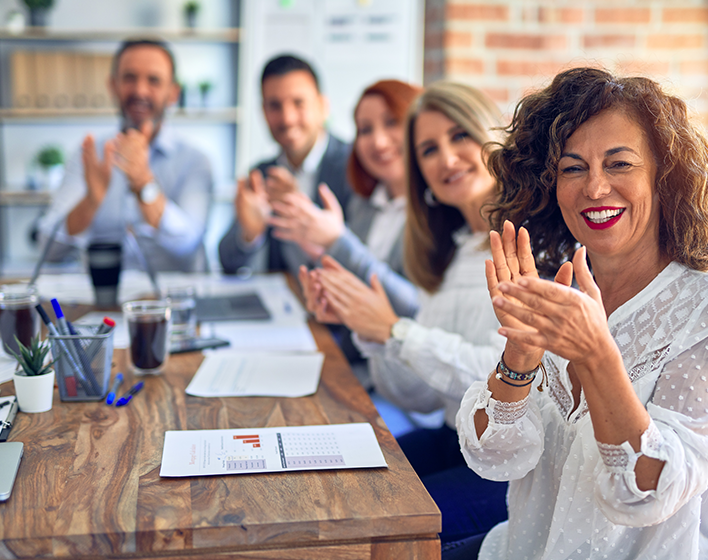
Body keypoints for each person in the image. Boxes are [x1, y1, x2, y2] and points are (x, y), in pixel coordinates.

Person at [450, 67, 708, 560]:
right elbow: (494, 456)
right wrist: (520, 357)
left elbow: (650, 490)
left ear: (664, 176)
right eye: (573, 168)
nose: (594, 188)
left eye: (619, 164)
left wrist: (598, 357)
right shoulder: (552, 287)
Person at [301, 82, 510, 543]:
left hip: (512, 468)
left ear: (490, 137)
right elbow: (420, 396)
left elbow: (504, 381)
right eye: (429, 150)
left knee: (375, 526)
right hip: (459, 440)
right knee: (336, 486)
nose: (447, 159)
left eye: (459, 137)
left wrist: (394, 331)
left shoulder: (525, 241)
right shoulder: (452, 252)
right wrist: (370, 330)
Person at [40, 38, 213, 272]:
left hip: (168, 303)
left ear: (173, 93)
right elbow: (48, 250)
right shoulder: (89, 155)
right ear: (113, 86)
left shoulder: (195, 161)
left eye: (154, 80)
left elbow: (188, 245)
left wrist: (143, 183)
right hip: (103, 302)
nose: (140, 90)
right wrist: (90, 202)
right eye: (129, 78)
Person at [273, 79, 422, 319]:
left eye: (391, 122)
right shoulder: (364, 205)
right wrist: (317, 250)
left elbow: (418, 309)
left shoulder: (437, 211)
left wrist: (338, 240)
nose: (378, 141)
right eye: (365, 129)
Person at [218, 54, 353, 275]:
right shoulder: (261, 174)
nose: (287, 118)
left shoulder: (354, 166)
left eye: (299, 103)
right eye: (275, 105)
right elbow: (228, 261)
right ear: (263, 112)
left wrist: (300, 209)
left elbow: (361, 263)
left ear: (323, 106)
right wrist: (250, 234)